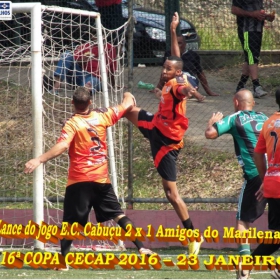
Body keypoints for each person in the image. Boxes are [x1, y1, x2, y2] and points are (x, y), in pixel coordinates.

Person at [24, 87, 156, 269]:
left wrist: (39, 159)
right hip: (101, 180)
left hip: (79, 181)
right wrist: (127, 94)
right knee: (118, 215)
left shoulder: (72, 123)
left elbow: (62, 146)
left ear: (72, 103)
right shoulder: (103, 116)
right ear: (90, 102)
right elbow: (127, 105)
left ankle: (63, 263)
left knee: (70, 224)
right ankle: (142, 248)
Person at [124, 55, 204, 255]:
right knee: (126, 110)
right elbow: (177, 60)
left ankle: (194, 236)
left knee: (171, 194)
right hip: (155, 126)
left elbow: (182, 90)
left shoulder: (178, 86)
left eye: (168, 69)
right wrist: (172, 30)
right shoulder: (170, 83)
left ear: (177, 72)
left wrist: (191, 91)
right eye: (164, 67)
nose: (164, 70)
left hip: (167, 144)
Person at [204, 89, 268, 277]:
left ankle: (244, 268)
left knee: (243, 221)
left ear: (236, 102)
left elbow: (210, 134)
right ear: (253, 103)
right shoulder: (265, 117)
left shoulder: (235, 118)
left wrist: (211, 122)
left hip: (256, 175)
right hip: (275, 172)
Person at [236, 89, 280, 279]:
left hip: (273, 181)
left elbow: (257, 154)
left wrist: (266, 179)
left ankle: (248, 266)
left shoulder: (269, 122)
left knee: (277, 235)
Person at [156, 12, 218, 98]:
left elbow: (200, 74)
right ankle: (192, 94)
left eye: (180, 43)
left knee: (181, 75)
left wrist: (209, 91)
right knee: (176, 75)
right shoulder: (168, 54)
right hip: (174, 81)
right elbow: (164, 73)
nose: (178, 45)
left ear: (185, 44)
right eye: (176, 43)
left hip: (189, 81)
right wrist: (158, 87)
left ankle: (190, 92)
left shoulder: (192, 55)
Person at [231, 0, 275, 98]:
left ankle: (240, 85)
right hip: (246, 29)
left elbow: (258, 12)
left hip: (258, 29)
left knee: (251, 57)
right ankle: (256, 86)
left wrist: (267, 16)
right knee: (252, 57)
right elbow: (234, 10)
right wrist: (252, 14)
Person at [50, 35, 117, 95]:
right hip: (79, 75)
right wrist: (83, 60)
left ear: (105, 35)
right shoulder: (84, 46)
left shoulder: (110, 48)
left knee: (91, 82)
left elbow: (112, 69)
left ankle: (83, 92)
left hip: (95, 77)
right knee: (66, 55)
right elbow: (72, 61)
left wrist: (113, 85)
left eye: (99, 34)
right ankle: (56, 85)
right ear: (91, 36)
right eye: (94, 34)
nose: (96, 36)